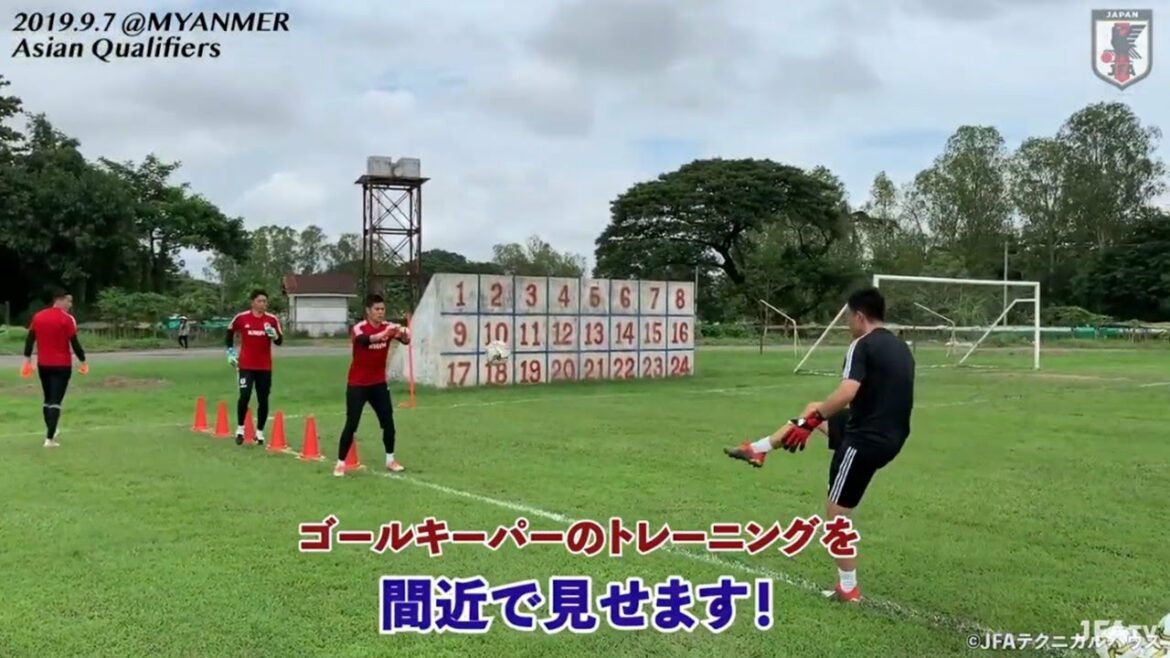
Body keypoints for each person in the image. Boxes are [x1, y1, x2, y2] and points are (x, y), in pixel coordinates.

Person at [723, 287, 915, 603]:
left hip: (864, 441)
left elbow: (846, 392)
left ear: (859, 316)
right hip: (890, 434)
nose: (846, 325)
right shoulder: (901, 347)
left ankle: (848, 588)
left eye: (847, 318)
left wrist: (811, 425)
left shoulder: (862, 345)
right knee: (813, 406)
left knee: (836, 517)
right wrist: (814, 419)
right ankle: (759, 449)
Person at [334, 293, 410, 477]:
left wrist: (404, 332)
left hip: (378, 384)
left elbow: (406, 341)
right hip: (357, 384)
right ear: (368, 311)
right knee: (352, 424)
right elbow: (364, 341)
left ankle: (390, 459)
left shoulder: (387, 327)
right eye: (377, 309)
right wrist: (386, 333)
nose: (380, 312)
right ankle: (340, 463)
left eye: (383, 309)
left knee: (388, 422)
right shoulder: (360, 328)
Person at [21, 289, 89, 448]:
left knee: (47, 399)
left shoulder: (38, 316)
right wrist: (83, 360)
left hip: (43, 365)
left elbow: (30, 339)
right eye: (68, 301)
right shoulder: (66, 319)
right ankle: (49, 439)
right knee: (56, 401)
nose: (70, 304)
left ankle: (52, 429)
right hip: (62, 365)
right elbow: (75, 342)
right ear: (59, 300)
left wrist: (27, 359)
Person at [225, 289, 283, 446]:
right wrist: (230, 352)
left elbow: (279, 341)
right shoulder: (242, 318)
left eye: (265, 301)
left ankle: (259, 432)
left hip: (264, 367)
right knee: (244, 395)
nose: (263, 304)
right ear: (252, 302)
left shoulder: (271, 320)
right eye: (260, 301)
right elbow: (229, 332)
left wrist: (274, 336)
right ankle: (240, 429)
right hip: (246, 366)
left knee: (263, 399)